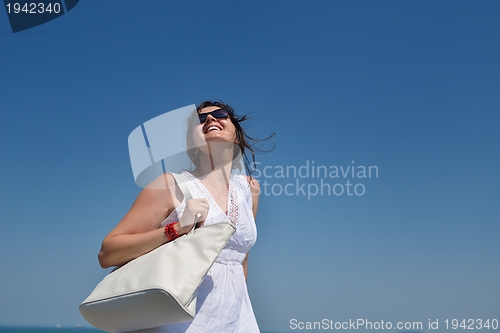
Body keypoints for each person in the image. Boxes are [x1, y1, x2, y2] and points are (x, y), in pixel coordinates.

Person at [97, 100, 267, 333]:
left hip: (238, 323)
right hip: (181, 325)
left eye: (220, 114)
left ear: (236, 135)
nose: (210, 119)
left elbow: (241, 263)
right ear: (192, 144)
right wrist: (176, 229)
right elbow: (108, 253)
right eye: (200, 119)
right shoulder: (170, 185)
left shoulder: (250, 189)